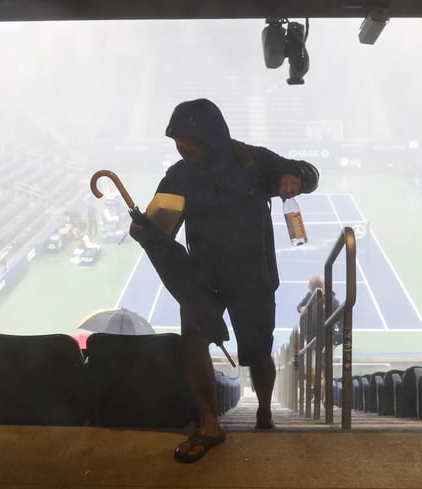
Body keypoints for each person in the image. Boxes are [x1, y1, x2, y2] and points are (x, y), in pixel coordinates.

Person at [129, 98, 319, 463]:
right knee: (194, 346)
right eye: (176, 140)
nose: (181, 147)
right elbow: (161, 226)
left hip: (253, 277)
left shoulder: (253, 161)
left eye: (188, 140)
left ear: (211, 137)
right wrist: (144, 229)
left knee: (259, 352)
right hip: (202, 277)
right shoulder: (179, 177)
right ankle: (209, 425)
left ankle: (264, 409)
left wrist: (296, 178)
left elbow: (308, 172)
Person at [296, 275, 342, 345]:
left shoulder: (333, 303)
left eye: (310, 287)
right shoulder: (310, 295)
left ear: (316, 288)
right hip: (308, 337)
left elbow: (340, 324)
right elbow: (299, 306)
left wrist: (334, 343)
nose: (309, 289)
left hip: (323, 341)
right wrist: (301, 309)